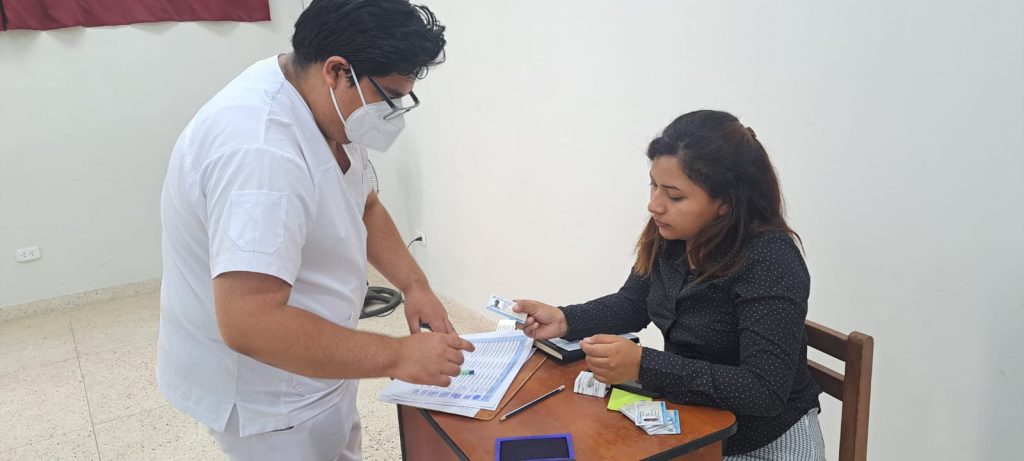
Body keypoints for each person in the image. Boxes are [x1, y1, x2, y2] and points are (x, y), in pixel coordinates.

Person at [157, 1, 474, 459]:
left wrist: (414, 285)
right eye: (389, 96)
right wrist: (399, 355)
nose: (394, 114)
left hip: (323, 359)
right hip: (269, 398)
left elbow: (363, 203)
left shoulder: (319, 103)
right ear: (337, 71)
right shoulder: (261, 154)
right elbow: (251, 323)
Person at [514, 110, 826, 460]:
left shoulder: (770, 259)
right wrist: (565, 319)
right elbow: (634, 303)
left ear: (725, 202)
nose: (654, 205)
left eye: (675, 196)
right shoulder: (672, 236)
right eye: (654, 185)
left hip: (764, 438)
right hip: (695, 417)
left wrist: (642, 365)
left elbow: (763, 390)